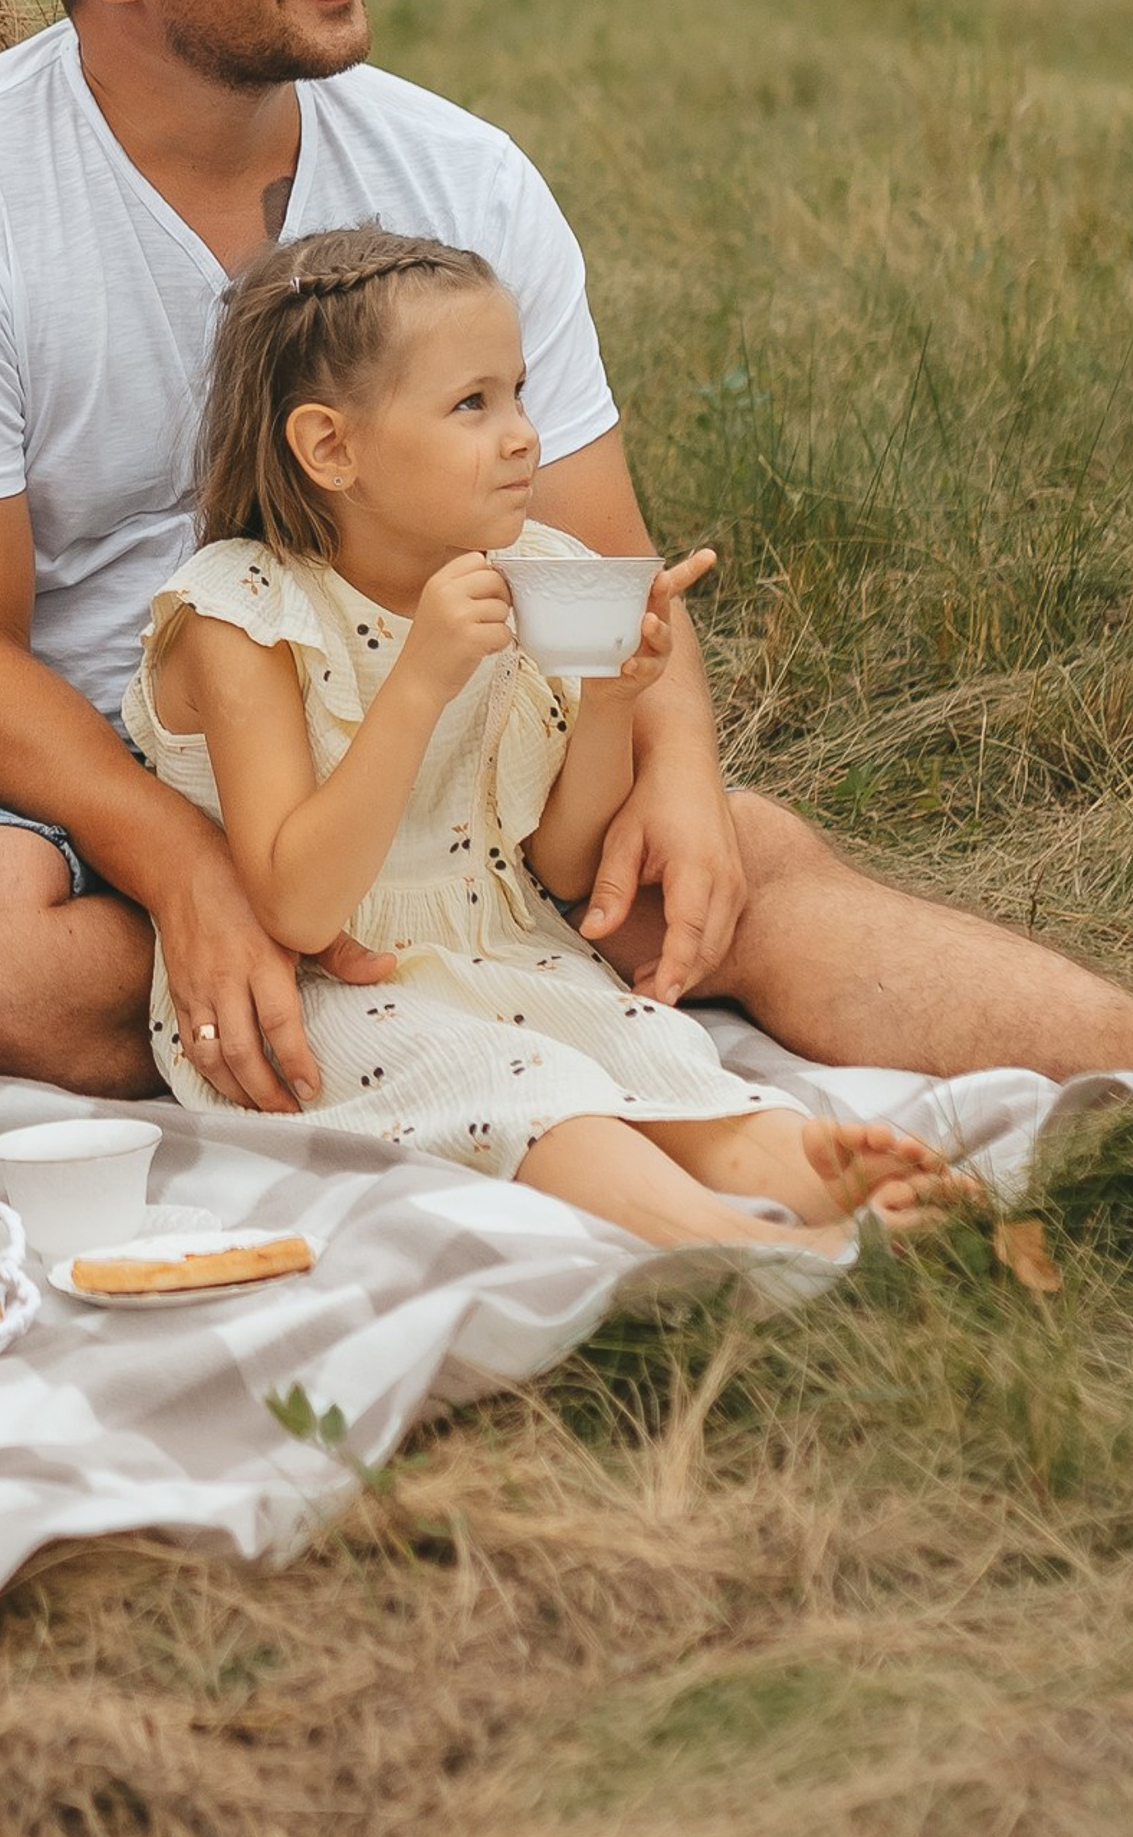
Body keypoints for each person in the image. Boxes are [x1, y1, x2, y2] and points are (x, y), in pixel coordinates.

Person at [0, 0, 1133, 1103]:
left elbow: (598, 554)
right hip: (97, 781)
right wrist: (190, 867)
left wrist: (678, 765)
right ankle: (467, 990)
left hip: (441, 746)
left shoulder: (463, 174)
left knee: (720, 868)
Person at [126, 226, 949, 1248]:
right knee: (522, 1088)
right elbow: (297, 904)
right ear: (329, 447)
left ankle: (805, 1170)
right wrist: (421, 678)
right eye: (473, 404)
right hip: (320, 987)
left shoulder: (525, 572)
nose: (523, 435)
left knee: (642, 1050)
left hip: (500, 943)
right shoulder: (243, 613)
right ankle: (729, 1244)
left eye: (517, 393)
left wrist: (608, 702)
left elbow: (557, 859)